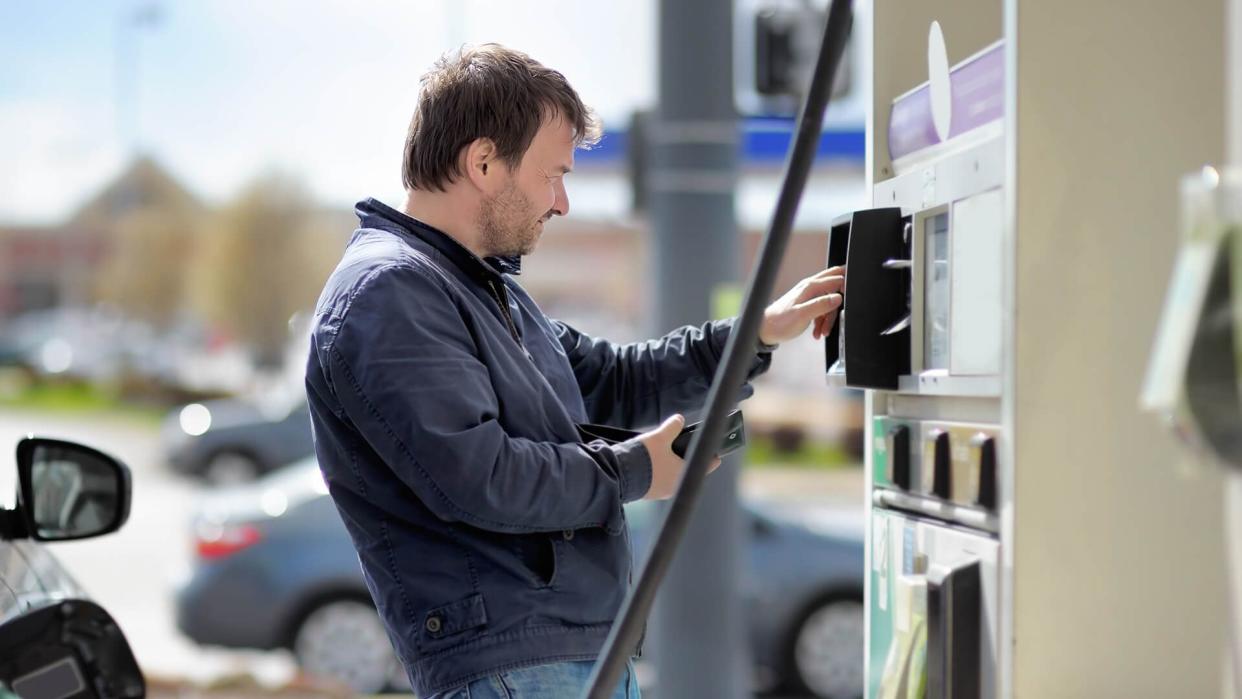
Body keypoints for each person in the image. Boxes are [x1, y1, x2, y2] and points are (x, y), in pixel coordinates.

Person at [304, 43, 844, 699]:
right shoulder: (390, 294)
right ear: (481, 162)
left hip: (567, 656)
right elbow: (483, 477)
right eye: (552, 174)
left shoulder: (476, 290)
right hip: (512, 668)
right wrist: (637, 469)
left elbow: (617, 378)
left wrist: (756, 332)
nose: (561, 203)